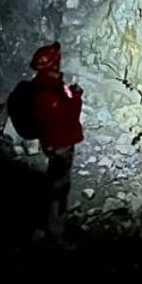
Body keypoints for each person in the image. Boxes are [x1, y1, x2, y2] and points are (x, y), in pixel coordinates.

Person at [14, 42, 83, 237]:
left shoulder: (40, 86)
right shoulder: (50, 94)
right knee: (59, 187)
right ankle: (55, 230)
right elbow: (69, 116)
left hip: (50, 142)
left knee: (55, 180)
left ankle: (50, 223)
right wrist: (76, 97)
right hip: (60, 144)